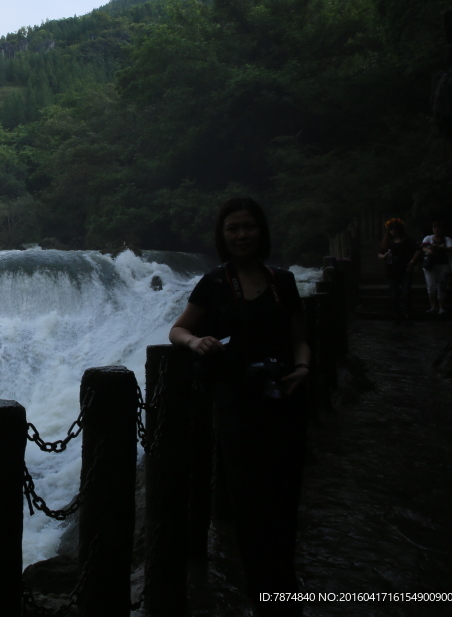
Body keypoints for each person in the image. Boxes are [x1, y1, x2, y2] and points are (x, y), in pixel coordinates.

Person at [169, 198, 310, 617]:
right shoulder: (213, 284)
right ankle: (264, 594)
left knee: (285, 497)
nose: (242, 234)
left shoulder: (282, 281)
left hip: (282, 398)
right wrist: (196, 342)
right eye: (233, 228)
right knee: (249, 500)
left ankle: (284, 587)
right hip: (235, 404)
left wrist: (304, 366)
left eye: (248, 227)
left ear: (261, 231)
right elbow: (178, 329)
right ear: (222, 236)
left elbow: (300, 336)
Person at [377, 218, 421, 325]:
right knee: (394, 294)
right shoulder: (387, 242)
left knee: (406, 292)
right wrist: (384, 256)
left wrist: (412, 261)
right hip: (391, 271)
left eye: (395, 229)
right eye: (391, 229)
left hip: (405, 269)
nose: (393, 231)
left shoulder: (407, 240)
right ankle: (397, 314)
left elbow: (418, 250)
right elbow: (380, 254)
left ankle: (407, 313)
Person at [420, 221, 452, 315]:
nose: (436, 230)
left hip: (443, 264)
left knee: (441, 286)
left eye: (438, 228)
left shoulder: (447, 239)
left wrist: (440, 247)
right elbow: (423, 247)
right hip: (430, 264)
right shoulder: (428, 238)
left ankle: (441, 307)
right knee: (431, 286)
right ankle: (433, 306)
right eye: (435, 228)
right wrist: (428, 250)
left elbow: (450, 248)